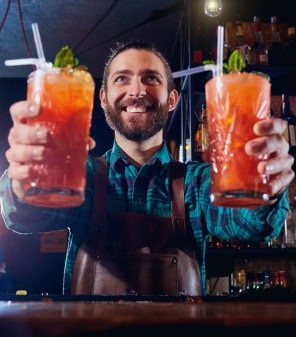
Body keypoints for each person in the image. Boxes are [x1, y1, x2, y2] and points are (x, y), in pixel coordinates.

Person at [0, 41, 294, 296]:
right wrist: (23, 179)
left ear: (172, 100)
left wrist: (267, 187)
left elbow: (252, 226)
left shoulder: (197, 182)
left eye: (151, 78)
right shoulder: (83, 176)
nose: (137, 90)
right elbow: (24, 217)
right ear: (102, 99)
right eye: (122, 79)